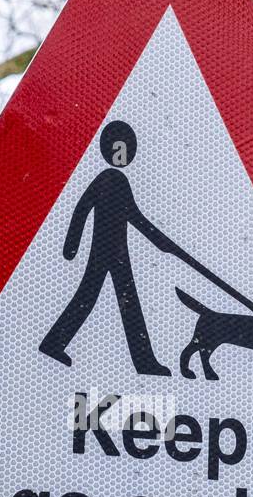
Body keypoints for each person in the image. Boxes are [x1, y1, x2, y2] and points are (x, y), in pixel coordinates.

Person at [39, 120, 173, 376]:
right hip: (107, 252)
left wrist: (159, 242)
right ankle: (143, 361)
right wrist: (71, 246)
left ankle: (55, 342)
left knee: (97, 299)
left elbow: (134, 216)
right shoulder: (109, 178)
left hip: (114, 252)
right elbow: (82, 209)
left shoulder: (118, 180)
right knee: (109, 300)